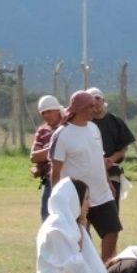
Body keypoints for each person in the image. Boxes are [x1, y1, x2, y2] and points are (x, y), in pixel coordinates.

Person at [50, 91, 123, 261]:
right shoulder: (62, 134)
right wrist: (57, 197)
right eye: (91, 106)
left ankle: (106, 269)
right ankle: (81, 269)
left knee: (112, 230)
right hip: (77, 197)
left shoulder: (94, 128)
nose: (95, 109)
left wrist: (108, 182)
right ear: (80, 108)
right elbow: (55, 170)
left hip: (102, 193)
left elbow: (99, 158)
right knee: (78, 237)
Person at [86, 87, 136, 211]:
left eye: (97, 98)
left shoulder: (116, 122)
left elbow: (124, 146)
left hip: (112, 172)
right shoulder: (84, 123)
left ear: (103, 101)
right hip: (87, 173)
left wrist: (111, 159)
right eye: (91, 100)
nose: (95, 102)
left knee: (112, 210)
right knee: (86, 211)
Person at [31, 95, 65, 221]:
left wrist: (45, 153)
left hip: (70, 179)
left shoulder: (68, 126)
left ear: (57, 110)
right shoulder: (42, 130)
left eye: (49, 111)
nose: (46, 115)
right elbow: (34, 156)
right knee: (47, 218)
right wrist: (55, 148)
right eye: (43, 113)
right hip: (49, 180)